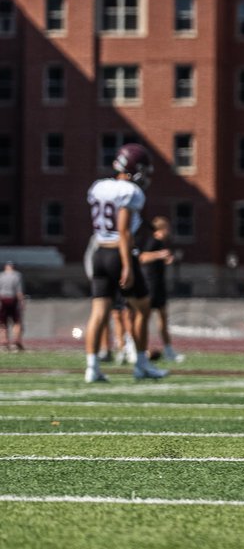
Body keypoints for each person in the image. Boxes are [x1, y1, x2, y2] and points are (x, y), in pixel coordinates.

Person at [81, 142, 167, 384]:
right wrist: (128, 264)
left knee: (98, 312)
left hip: (99, 253)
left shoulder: (99, 186)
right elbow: (124, 230)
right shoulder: (130, 191)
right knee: (142, 308)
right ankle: (141, 363)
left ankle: (92, 367)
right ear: (134, 167)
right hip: (119, 253)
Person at [141, 216, 184, 363]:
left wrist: (165, 259)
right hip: (150, 284)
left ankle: (168, 350)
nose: (169, 231)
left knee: (163, 318)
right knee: (144, 319)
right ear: (161, 229)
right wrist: (159, 255)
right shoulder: (153, 241)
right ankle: (138, 348)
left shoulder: (161, 243)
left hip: (159, 284)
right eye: (167, 228)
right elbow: (142, 257)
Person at [0, 261, 26, 351]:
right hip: (12, 300)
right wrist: (22, 302)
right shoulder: (17, 275)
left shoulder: (1, 276)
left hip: (2, 300)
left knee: (3, 323)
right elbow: (19, 291)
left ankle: (4, 343)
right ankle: (16, 342)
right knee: (16, 322)